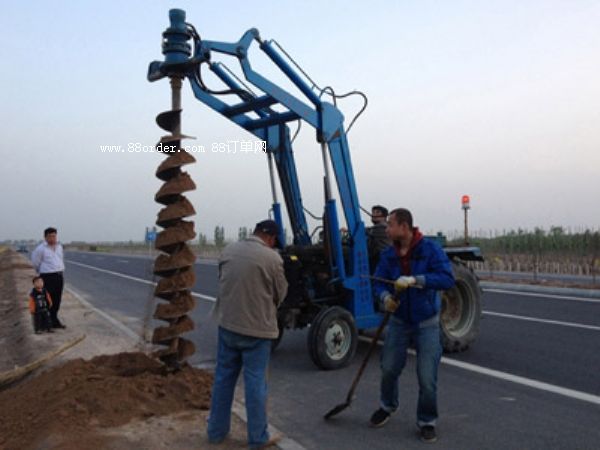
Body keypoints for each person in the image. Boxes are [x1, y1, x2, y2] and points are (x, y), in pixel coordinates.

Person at [369, 208, 454, 443]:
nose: (387, 229)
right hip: (399, 322)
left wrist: (417, 280)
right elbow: (378, 283)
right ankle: (387, 406)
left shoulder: (430, 250)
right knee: (388, 368)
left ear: (404, 227)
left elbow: (447, 278)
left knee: (427, 377)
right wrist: (385, 297)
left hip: (426, 323)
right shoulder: (388, 254)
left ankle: (427, 421)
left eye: (390, 225)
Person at [207, 219, 288, 449]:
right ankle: (258, 438)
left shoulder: (228, 250)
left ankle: (215, 432)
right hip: (257, 331)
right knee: (255, 384)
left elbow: (222, 280)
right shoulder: (272, 258)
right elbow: (281, 294)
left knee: (223, 379)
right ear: (271, 238)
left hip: (227, 326)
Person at [31, 227, 66, 328]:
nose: (52, 238)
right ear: (45, 237)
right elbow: (36, 263)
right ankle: (44, 322)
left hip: (59, 276)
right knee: (46, 300)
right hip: (47, 277)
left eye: (54, 236)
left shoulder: (59, 247)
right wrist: (42, 273)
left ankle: (54, 321)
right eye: (50, 236)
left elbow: (60, 259)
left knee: (57, 300)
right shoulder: (40, 249)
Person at [366, 205, 392, 271]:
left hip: (381, 260)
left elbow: (365, 231)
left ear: (384, 217)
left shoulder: (383, 227)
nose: (374, 214)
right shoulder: (376, 228)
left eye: (377, 212)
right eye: (373, 212)